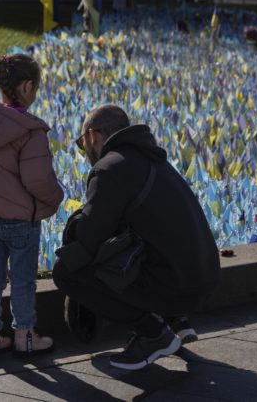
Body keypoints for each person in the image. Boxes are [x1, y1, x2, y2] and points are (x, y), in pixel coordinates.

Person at [52, 104, 220, 371]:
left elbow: (89, 237)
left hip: (178, 287)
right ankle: (175, 320)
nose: (85, 152)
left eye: (82, 144)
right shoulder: (154, 159)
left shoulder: (109, 168)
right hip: (204, 278)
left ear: (92, 136)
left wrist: (73, 225)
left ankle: (153, 334)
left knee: (66, 272)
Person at [0, 54, 64, 357]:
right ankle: (26, 336)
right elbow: (37, 180)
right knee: (22, 280)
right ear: (27, 87)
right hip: (22, 221)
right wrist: (55, 197)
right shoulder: (30, 131)